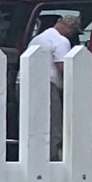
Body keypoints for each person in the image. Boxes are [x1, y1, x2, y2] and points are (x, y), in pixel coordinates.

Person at [24, 10, 84, 159]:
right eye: (74, 32)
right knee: (53, 125)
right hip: (48, 86)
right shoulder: (61, 41)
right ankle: (52, 158)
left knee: (33, 124)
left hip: (27, 83)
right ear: (68, 27)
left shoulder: (40, 37)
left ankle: (34, 156)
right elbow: (62, 67)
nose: (73, 35)